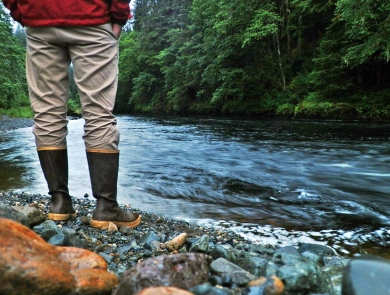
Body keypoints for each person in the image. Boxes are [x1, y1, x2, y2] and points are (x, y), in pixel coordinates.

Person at [3, 0, 141, 229]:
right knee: (98, 113)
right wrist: (118, 15)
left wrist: (23, 11)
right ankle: (106, 207)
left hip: (39, 16)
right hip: (92, 16)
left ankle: (59, 203)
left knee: (47, 113)